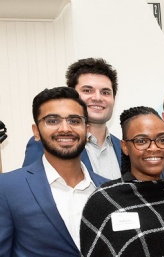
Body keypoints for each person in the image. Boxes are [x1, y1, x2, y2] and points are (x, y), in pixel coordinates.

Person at [0, 87, 107, 256]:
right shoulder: (6, 188)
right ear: (36, 131)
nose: (65, 128)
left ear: (87, 130)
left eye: (74, 120)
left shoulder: (108, 189)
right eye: (52, 121)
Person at [80, 107, 164, 257]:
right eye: (141, 141)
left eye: (162, 140)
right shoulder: (104, 201)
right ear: (125, 147)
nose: (154, 148)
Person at [22, 57, 122, 179]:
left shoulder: (125, 148)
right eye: (87, 90)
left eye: (105, 92)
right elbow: (31, 187)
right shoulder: (45, 142)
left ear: (114, 99)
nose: (97, 98)